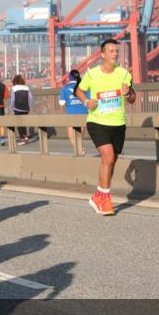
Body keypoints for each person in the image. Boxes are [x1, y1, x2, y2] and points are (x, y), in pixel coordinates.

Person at [75, 39, 136, 216]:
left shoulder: (124, 74)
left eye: (116, 51)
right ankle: (106, 200)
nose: (115, 54)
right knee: (108, 158)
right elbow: (79, 90)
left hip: (118, 123)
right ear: (102, 55)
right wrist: (87, 101)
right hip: (97, 122)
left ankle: (98, 196)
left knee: (110, 162)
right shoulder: (92, 74)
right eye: (110, 51)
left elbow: (132, 98)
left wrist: (128, 93)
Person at [59, 69, 88, 155]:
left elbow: (61, 103)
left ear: (69, 78)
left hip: (71, 114)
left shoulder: (65, 88)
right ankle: (80, 150)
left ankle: (80, 150)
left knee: (72, 137)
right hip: (83, 113)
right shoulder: (84, 87)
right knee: (79, 137)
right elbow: (89, 99)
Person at [9, 74, 34, 145]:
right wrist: (30, 107)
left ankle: (22, 139)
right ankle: (25, 136)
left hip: (17, 108)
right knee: (23, 123)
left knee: (19, 124)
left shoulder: (14, 88)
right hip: (25, 108)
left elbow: (12, 100)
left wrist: (11, 109)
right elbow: (31, 98)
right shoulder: (26, 87)